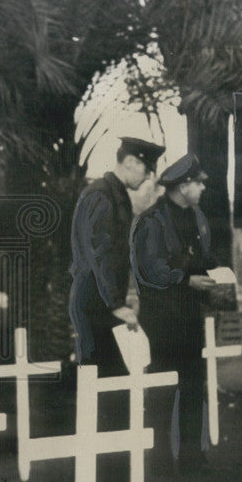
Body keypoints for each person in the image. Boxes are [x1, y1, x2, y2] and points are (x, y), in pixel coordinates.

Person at [131, 154, 217, 475]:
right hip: (161, 321)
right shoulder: (150, 221)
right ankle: (158, 461)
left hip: (190, 318)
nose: (204, 187)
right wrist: (187, 278)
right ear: (183, 186)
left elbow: (204, 258)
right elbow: (150, 270)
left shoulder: (198, 218)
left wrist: (216, 277)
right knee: (162, 391)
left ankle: (193, 458)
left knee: (195, 387)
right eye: (199, 183)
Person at [69, 136, 165, 378]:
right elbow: (98, 255)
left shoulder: (115, 195)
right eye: (147, 168)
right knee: (106, 383)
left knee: (108, 382)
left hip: (100, 302)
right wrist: (115, 305)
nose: (147, 176)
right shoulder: (101, 195)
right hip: (95, 304)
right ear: (131, 161)